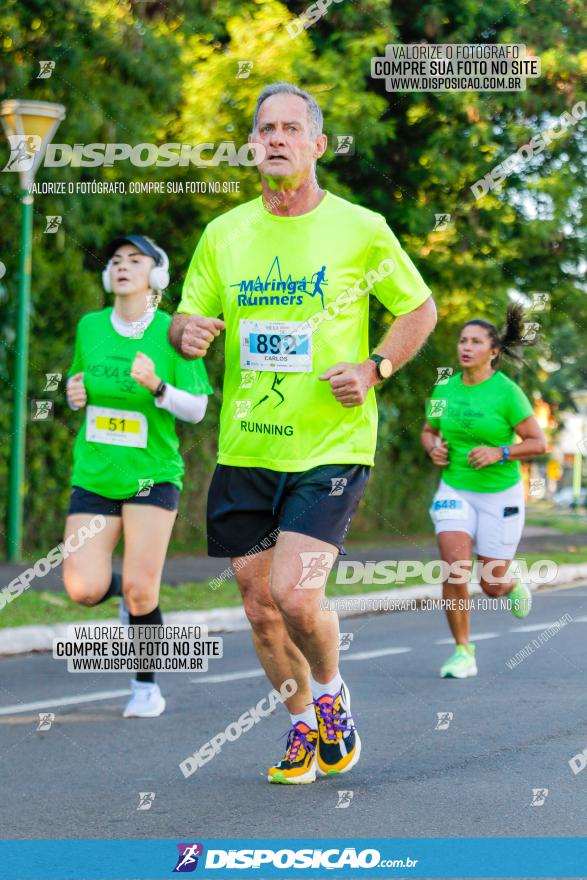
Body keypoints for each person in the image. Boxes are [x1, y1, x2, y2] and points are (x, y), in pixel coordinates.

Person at [169, 82, 437, 782]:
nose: (277, 138)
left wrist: (375, 367)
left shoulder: (359, 228)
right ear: (253, 146)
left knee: (294, 595)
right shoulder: (223, 234)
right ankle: (297, 728)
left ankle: (329, 696)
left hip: (331, 450)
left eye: (291, 128)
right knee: (259, 611)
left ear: (317, 145)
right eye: (265, 129)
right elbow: (185, 318)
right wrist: (185, 330)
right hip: (246, 449)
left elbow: (418, 310)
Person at [63, 234, 213, 717]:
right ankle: (128, 594)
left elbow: (196, 408)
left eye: (136, 259)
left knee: (142, 590)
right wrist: (74, 395)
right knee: (81, 589)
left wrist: (158, 386)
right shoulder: (89, 327)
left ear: (157, 274)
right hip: (95, 472)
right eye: (116, 260)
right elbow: (78, 384)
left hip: (152, 474)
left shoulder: (174, 333)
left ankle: (145, 687)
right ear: (108, 275)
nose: (123, 266)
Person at [420, 305, 547, 679]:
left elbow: (538, 442)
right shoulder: (445, 388)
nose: (466, 347)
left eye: (476, 341)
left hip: (500, 495)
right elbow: (429, 430)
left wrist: (500, 452)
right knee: (455, 570)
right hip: (455, 488)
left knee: (490, 583)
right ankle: (463, 651)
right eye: (463, 340)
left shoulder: (508, 393)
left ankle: (509, 584)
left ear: (493, 351)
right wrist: (433, 448)